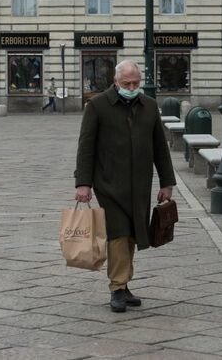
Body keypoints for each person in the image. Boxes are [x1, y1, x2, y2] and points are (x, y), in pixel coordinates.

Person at [74, 59, 176, 313]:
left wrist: (167, 182)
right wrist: (83, 183)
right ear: (115, 82)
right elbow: (86, 146)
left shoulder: (149, 106)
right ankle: (117, 287)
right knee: (118, 232)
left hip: (140, 182)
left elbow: (160, 148)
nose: (132, 87)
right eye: (126, 83)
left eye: (136, 83)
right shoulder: (97, 106)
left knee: (132, 232)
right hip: (109, 182)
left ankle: (124, 283)